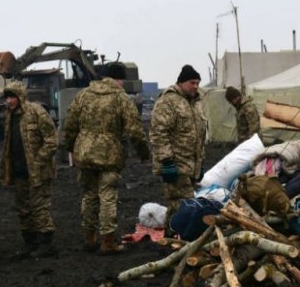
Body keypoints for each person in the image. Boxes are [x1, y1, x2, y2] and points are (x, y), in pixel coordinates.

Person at [63, 62, 150, 254]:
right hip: (109, 155)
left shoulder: (83, 95)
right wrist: (144, 153)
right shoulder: (121, 98)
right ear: (119, 79)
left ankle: (89, 238)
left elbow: (70, 124)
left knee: (89, 196)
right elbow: (135, 130)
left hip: (84, 154)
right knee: (108, 196)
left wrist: (71, 147)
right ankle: (108, 241)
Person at [0, 81, 58, 259]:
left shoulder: (36, 112)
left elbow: (52, 139)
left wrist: (39, 159)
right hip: (19, 171)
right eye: (7, 97)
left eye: (12, 97)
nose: (10, 101)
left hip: (38, 172)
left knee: (39, 208)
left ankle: (46, 244)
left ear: (20, 96)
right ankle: (30, 244)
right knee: (23, 209)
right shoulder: (9, 116)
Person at [149, 64, 206, 237]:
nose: (195, 86)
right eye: (192, 82)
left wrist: (200, 162)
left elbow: (199, 134)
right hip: (175, 163)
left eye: (197, 83)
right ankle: (180, 237)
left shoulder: (196, 103)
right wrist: (167, 161)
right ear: (181, 82)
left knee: (178, 204)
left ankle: (170, 235)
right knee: (184, 203)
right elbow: (158, 132)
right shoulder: (168, 101)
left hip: (191, 163)